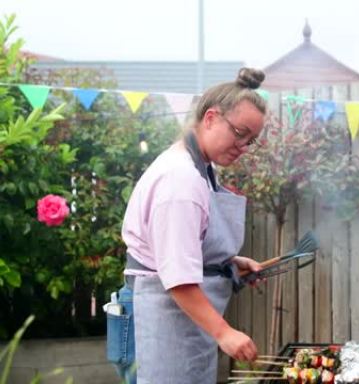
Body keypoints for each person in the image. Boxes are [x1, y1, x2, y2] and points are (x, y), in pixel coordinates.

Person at [118, 68, 267, 384]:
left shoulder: (202, 168)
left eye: (251, 140)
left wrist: (227, 262)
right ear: (211, 118)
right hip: (160, 314)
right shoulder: (181, 181)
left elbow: (186, 243)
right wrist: (224, 332)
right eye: (239, 133)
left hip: (176, 317)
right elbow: (177, 277)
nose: (243, 146)